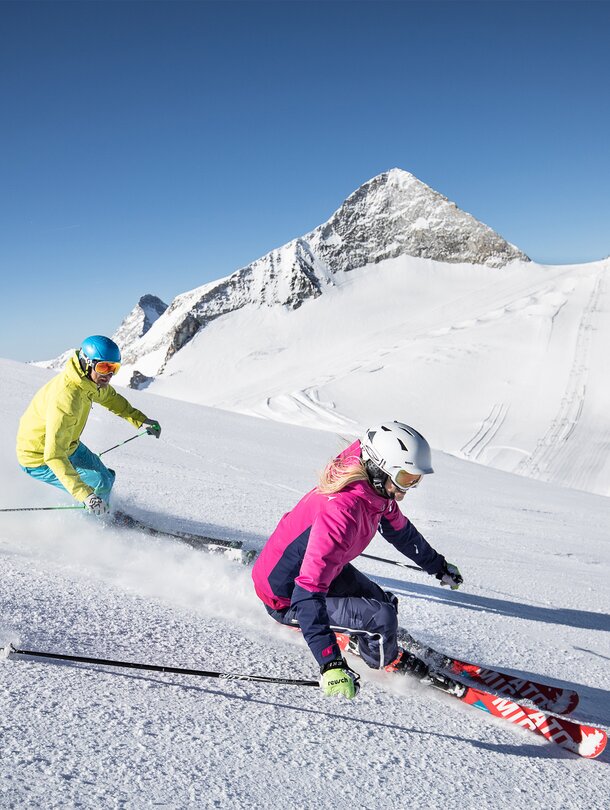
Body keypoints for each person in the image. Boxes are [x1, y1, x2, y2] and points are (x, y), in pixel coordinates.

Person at [252, 421, 463, 699]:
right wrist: (331, 665)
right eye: (405, 479)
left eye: (415, 480)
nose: (407, 489)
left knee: (383, 602)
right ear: (379, 467)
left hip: (321, 573)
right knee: (381, 617)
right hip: (285, 597)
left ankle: (376, 637)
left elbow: (400, 531)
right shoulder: (341, 513)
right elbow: (307, 593)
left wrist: (437, 566)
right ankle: (387, 660)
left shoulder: (374, 492)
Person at [16, 335, 162, 516]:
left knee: (106, 479)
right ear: (86, 363)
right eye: (103, 367)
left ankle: (105, 511)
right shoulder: (66, 399)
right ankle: (94, 525)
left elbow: (110, 398)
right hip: (38, 457)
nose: (108, 375)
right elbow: (53, 456)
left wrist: (140, 419)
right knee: (97, 485)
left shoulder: (89, 383)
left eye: (114, 368)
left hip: (68, 445)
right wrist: (85, 495)